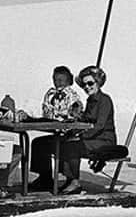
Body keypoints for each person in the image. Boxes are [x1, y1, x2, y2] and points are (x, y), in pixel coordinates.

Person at [29, 65, 117, 195]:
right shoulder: (91, 100)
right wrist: (77, 116)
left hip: (103, 139)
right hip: (91, 137)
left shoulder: (104, 100)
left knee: (70, 145)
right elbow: (86, 120)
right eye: (84, 84)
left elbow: (99, 126)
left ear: (98, 83)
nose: (87, 87)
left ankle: (74, 181)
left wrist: (81, 136)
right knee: (40, 143)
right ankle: (45, 177)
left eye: (90, 83)